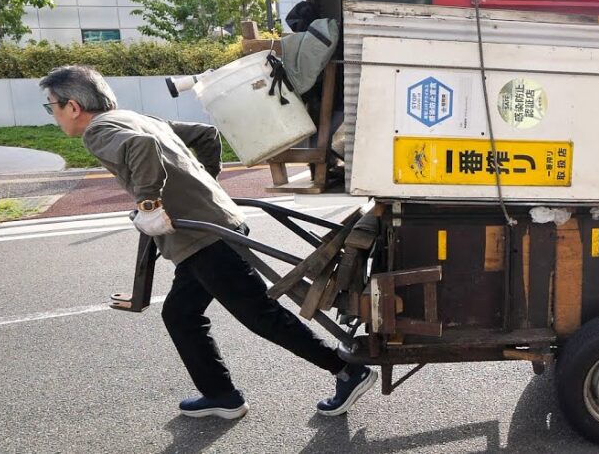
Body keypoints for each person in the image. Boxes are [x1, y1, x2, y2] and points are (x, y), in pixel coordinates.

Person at [39, 65, 375, 419]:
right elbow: (206, 135)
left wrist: (149, 205)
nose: (53, 116)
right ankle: (221, 395)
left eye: (52, 107)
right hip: (205, 232)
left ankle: (347, 371)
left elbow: (142, 148)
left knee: (259, 315)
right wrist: (207, 186)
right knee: (181, 314)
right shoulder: (136, 118)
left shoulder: (99, 131)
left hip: (205, 238)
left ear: (73, 106)